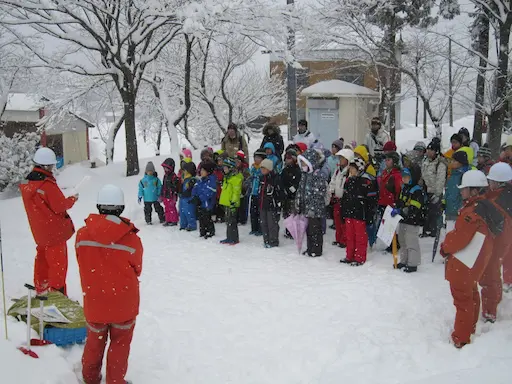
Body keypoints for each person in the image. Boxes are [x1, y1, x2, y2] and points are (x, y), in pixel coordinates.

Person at [76, 184, 142, 384]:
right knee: (120, 345)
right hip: (124, 303)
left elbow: (82, 260)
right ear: (121, 208)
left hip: (95, 301)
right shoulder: (132, 240)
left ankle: (90, 378)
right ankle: (115, 381)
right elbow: (137, 268)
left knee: (94, 344)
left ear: (98, 206)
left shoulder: (82, 235)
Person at [440, 170, 504, 348]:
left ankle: (461, 337)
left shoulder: (472, 212)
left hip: (464, 262)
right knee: (471, 295)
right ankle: (469, 329)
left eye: (464, 189)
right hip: (475, 262)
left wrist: (445, 247)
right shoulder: (485, 207)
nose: (461, 191)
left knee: (462, 299)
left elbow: (460, 237)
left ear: (474, 190)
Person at [20, 147, 78, 295]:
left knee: (42, 260)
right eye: (52, 165)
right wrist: (72, 199)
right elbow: (59, 206)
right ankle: (57, 293)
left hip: (39, 232)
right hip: (54, 232)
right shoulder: (47, 185)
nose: (53, 168)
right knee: (58, 264)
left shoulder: (28, 184)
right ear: (46, 166)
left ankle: (41, 287)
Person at [485, 163, 512, 299]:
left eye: (490, 180)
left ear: (497, 182)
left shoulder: (497, 200)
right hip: (507, 238)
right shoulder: (507, 195)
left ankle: (492, 303)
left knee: (492, 271)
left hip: (500, 238)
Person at [391, 165, 426, 273]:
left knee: (411, 242)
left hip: (412, 221)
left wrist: (401, 211)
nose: (404, 178)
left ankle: (413, 263)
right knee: (402, 240)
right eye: (403, 176)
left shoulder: (416, 191)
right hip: (403, 220)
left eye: (407, 176)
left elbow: (414, 208)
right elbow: (400, 202)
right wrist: (396, 208)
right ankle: (404, 260)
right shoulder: (404, 189)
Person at [339, 158, 374, 266]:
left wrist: (369, 215)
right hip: (349, 213)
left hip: (360, 214)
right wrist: (343, 211)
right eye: (351, 168)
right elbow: (344, 198)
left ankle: (359, 257)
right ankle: (349, 256)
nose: (351, 170)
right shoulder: (348, 181)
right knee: (350, 236)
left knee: (360, 237)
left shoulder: (366, 182)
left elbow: (371, 201)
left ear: (359, 169)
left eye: (353, 168)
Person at [296, 149, 327, 257]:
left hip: (315, 209)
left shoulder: (318, 175)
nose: (303, 165)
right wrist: (299, 202)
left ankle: (316, 249)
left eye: (304, 162)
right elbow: (301, 190)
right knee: (308, 230)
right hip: (306, 207)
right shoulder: (304, 175)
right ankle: (310, 248)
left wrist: (313, 205)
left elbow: (320, 192)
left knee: (315, 229)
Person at [421, 140, 447, 237]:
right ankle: (427, 229)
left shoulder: (440, 163)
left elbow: (440, 180)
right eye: (428, 149)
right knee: (427, 212)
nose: (428, 152)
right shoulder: (425, 161)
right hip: (427, 190)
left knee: (435, 212)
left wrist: (437, 194)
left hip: (435, 192)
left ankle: (435, 231)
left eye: (431, 150)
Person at [329, 148, 354, 248]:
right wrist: (331, 191)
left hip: (344, 200)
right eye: (340, 158)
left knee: (344, 222)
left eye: (342, 158)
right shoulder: (337, 170)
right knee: (337, 220)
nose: (340, 160)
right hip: (336, 199)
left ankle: (344, 240)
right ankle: (338, 238)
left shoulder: (349, 171)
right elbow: (333, 181)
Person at [259, 159, 283, 248]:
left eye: (264, 168)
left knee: (272, 224)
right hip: (262, 204)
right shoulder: (262, 178)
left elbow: (279, 193)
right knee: (263, 223)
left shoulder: (275, 178)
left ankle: (273, 241)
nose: (262, 170)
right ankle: (266, 240)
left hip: (272, 206)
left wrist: (278, 205)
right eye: (261, 168)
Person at [219, 158, 243, 245]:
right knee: (228, 221)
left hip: (232, 203)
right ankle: (229, 237)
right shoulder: (227, 178)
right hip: (227, 203)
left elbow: (236, 192)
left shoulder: (235, 179)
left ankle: (234, 238)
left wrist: (233, 202)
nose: (224, 170)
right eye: (224, 168)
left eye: (226, 168)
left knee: (232, 221)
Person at [192, 161, 217, 239]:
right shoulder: (200, 180)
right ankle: (203, 231)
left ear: (208, 172)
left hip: (207, 204)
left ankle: (210, 231)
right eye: (201, 170)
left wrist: (200, 198)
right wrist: (195, 196)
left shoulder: (211, 180)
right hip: (201, 203)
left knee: (207, 218)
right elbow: (195, 188)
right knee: (201, 218)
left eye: (203, 170)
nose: (201, 172)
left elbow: (209, 192)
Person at [445, 151, 471, 223]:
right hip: (450, 210)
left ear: (461, 162)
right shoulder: (453, 174)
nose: (451, 162)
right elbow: (448, 191)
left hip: (458, 212)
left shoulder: (464, 176)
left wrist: (460, 209)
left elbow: (464, 195)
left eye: (454, 160)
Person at [281, 147, 302, 239]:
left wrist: (291, 189)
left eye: (289, 158)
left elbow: (297, 183)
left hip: (293, 196)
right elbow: (281, 181)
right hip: (285, 196)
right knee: (286, 214)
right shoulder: (284, 170)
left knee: (293, 214)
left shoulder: (297, 170)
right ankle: (288, 230)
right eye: (286, 158)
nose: (287, 160)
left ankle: (294, 231)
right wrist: (283, 189)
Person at [248, 149, 266, 236]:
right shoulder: (253, 167)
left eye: (258, 158)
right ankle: (254, 228)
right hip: (253, 192)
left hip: (260, 193)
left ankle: (260, 229)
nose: (256, 159)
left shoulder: (263, 169)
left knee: (260, 212)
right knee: (253, 211)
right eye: (255, 157)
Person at [160, 158, 180, 227]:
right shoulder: (165, 176)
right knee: (167, 208)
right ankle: (168, 220)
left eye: (167, 168)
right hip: (166, 195)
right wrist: (162, 194)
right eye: (164, 168)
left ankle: (174, 220)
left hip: (171, 196)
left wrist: (174, 193)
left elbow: (176, 187)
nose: (165, 170)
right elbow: (163, 185)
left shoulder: (174, 176)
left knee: (172, 208)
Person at [178, 161, 197, 231]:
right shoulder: (185, 178)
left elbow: (190, 190)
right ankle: (183, 224)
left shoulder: (192, 179)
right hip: (183, 198)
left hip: (189, 199)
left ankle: (192, 225)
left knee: (189, 212)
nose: (184, 172)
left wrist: (184, 193)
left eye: (185, 170)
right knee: (182, 211)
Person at [236, 150, 251, 225]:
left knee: (243, 205)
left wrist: (243, 188)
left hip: (243, 189)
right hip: (237, 189)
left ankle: (243, 219)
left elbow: (247, 179)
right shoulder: (235, 168)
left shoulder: (245, 168)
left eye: (238, 161)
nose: (237, 163)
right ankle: (238, 218)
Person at [213, 150, 226, 223]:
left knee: (222, 204)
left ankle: (222, 215)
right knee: (216, 203)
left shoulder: (225, 169)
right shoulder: (216, 169)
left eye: (221, 160)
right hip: (217, 189)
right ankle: (217, 215)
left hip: (222, 189)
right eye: (218, 160)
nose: (219, 162)